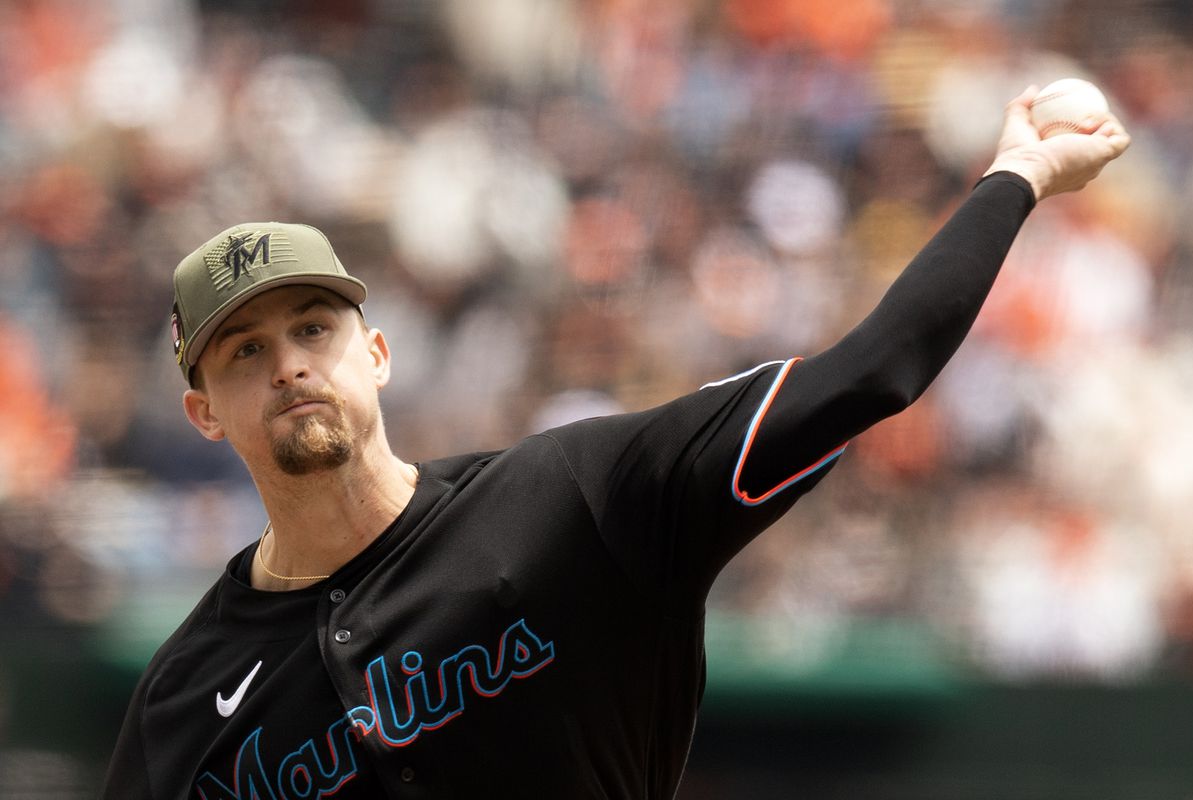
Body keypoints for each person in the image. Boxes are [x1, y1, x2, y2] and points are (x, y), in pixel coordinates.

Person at [102, 88, 1129, 798]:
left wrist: (1020, 173)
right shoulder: (184, 697)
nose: (287, 364)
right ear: (203, 411)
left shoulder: (571, 499)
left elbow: (870, 372)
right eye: (243, 350)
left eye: (312, 329)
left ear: (375, 351)